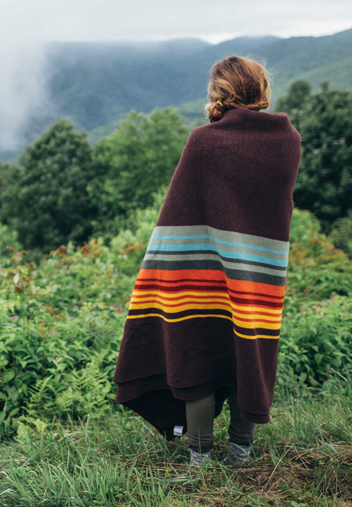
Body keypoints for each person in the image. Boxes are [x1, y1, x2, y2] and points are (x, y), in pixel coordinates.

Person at [111, 55, 301, 466]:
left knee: (197, 349)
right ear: (260, 90)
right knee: (246, 353)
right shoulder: (288, 142)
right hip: (259, 273)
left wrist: (156, 268)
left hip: (199, 272)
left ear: (220, 93)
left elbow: (179, 213)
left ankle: (199, 458)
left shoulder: (204, 141)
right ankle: (241, 451)